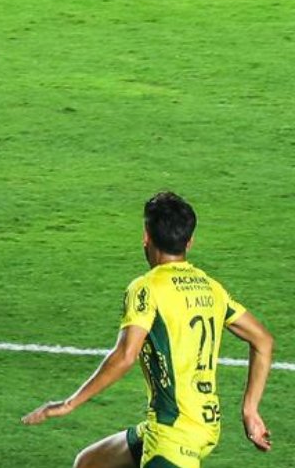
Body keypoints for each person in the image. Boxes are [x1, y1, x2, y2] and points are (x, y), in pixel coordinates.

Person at [22, 192, 274, 467]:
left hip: (173, 436)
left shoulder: (147, 288)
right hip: (200, 426)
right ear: (189, 242)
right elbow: (263, 340)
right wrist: (250, 410)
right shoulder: (212, 288)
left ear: (146, 236)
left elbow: (126, 355)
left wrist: (69, 404)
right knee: (89, 463)